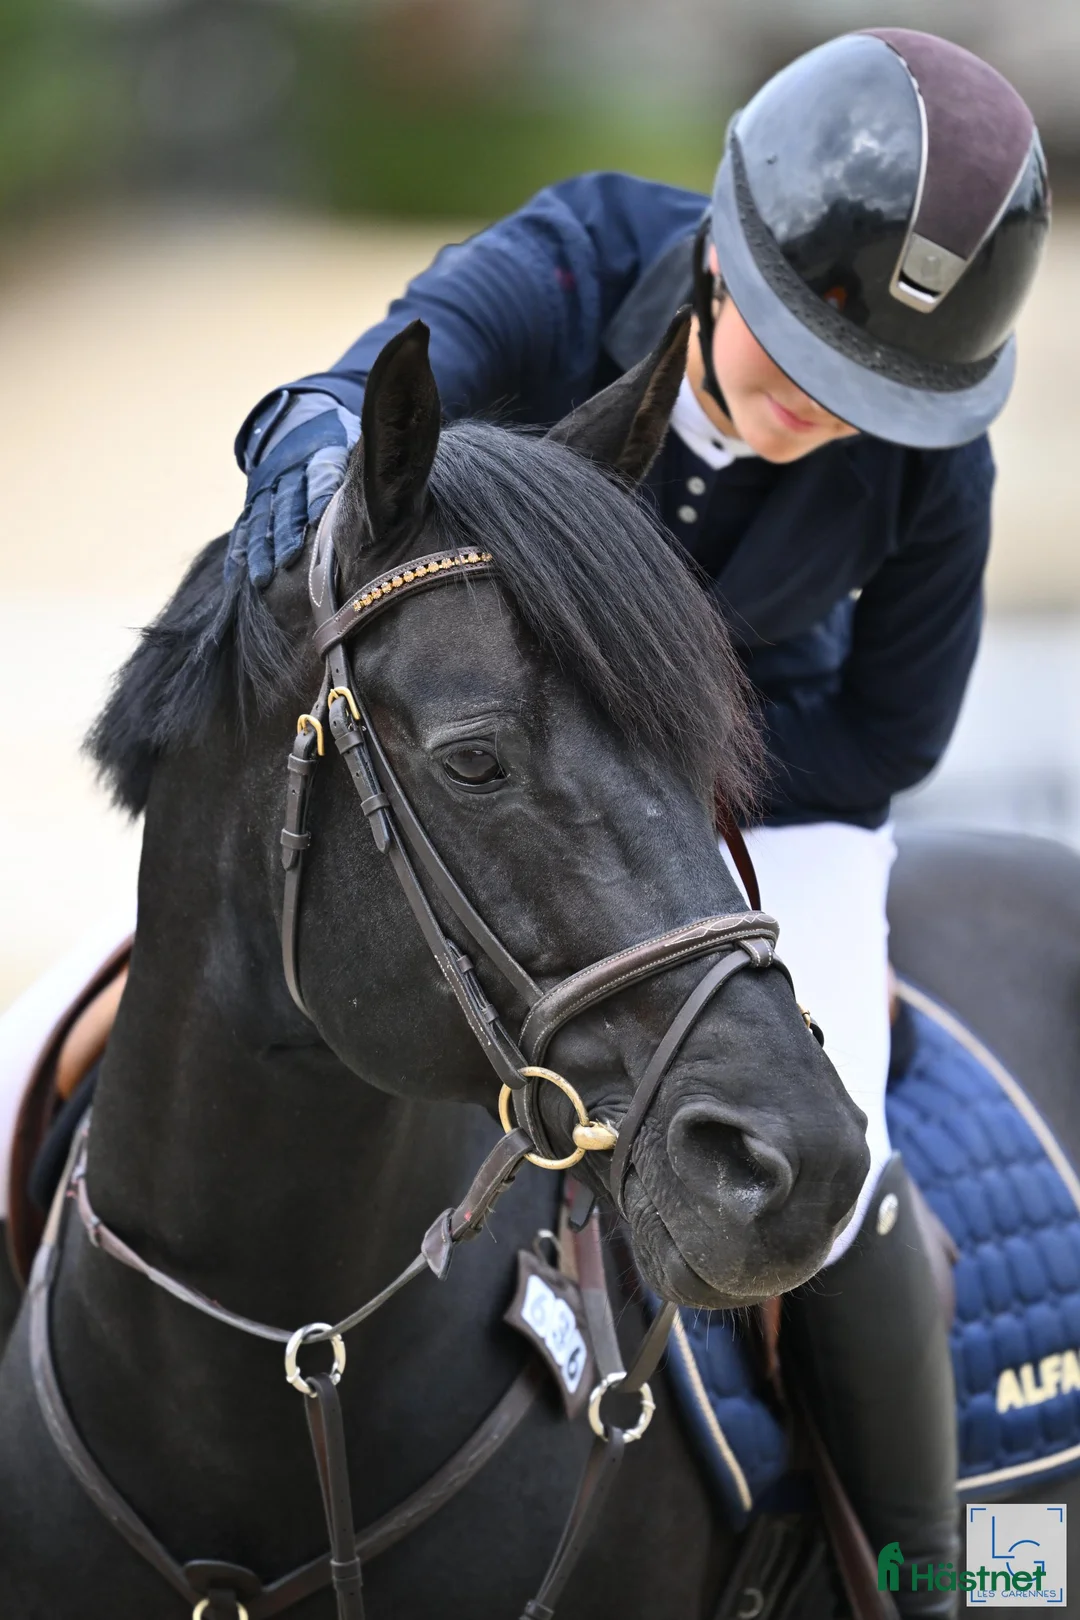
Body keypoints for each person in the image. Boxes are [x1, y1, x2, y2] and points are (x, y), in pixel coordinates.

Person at [226, 28, 1050, 1616]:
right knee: (75, 1032)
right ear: (725, 267)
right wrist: (310, 465)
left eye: (875, 392)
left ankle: (932, 1576)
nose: (830, 413)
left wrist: (656, 768)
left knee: (840, 1172)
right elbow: (342, 397)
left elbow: (889, 731)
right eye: (803, 363)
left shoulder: (932, 460)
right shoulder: (571, 259)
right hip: (462, 796)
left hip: (763, 816)